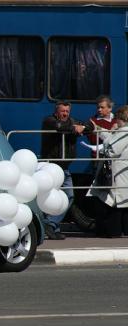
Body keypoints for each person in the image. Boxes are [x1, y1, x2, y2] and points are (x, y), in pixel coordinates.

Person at [41, 101, 94, 240]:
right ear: (56, 111)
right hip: (51, 166)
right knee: (48, 197)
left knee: (69, 196)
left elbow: (90, 126)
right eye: (62, 111)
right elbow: (59, 127)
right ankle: (49, 225)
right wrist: (75, 128)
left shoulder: (72, 121)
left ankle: (51, 224)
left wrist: (82, 127)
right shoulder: (49, 120)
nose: (65, 114)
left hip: (64, 167)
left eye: (67, 111)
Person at [87, 105, 128, 238]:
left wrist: (101, 149)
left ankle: (112, 232)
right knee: (120, 203)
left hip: (118, 173)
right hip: (121, 173)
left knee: (113, 203)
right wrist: (98, 129)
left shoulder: (124, 132)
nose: (115, 121)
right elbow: (111, 137)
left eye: (117, 118)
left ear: (121, 119)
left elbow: (112, 150)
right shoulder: (122, 131)